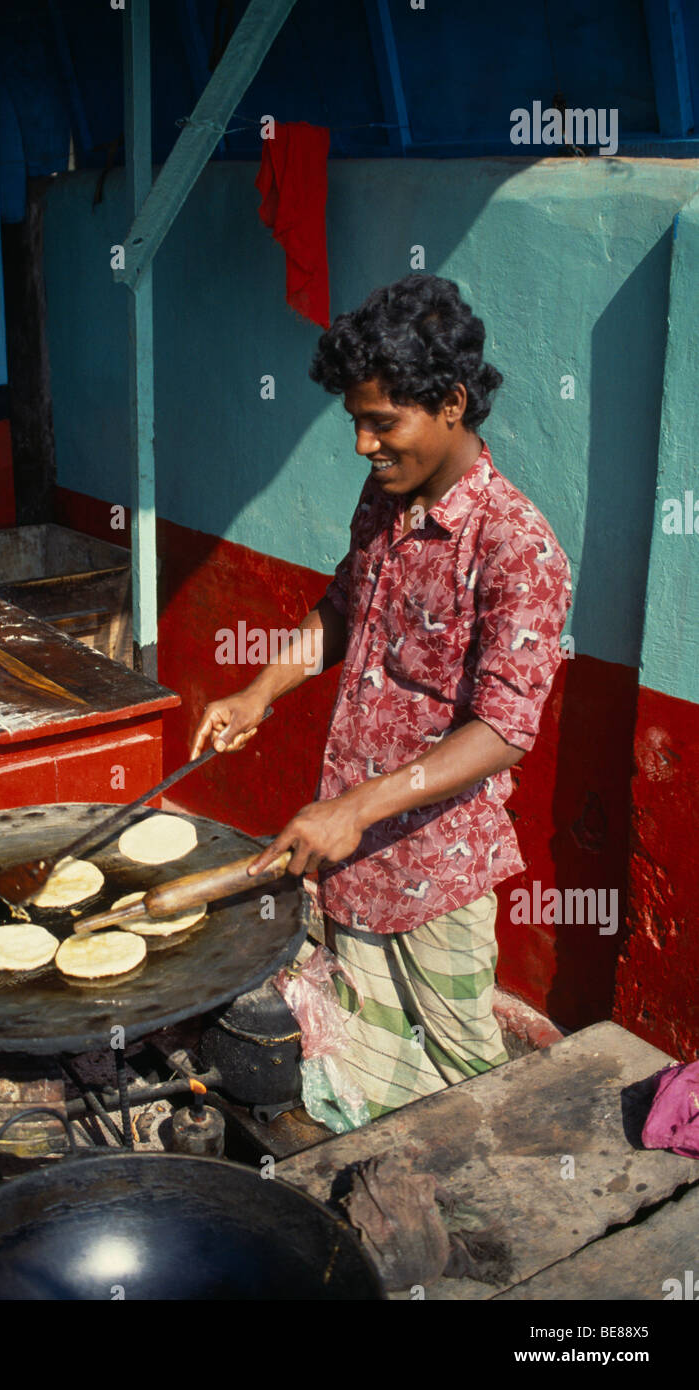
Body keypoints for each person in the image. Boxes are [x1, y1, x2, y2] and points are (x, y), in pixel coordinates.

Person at [190, 273, 571, 1122]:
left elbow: (505, 730)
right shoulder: (388, 494)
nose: (362, 444)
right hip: (350, 848)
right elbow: (344, 602)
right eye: (355, 422)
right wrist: (261, 690)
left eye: (381, 422)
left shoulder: (517, 546)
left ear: (451, 404)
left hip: (435, 870)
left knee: (463, 1081)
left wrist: (357, 807)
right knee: (364, 1070)